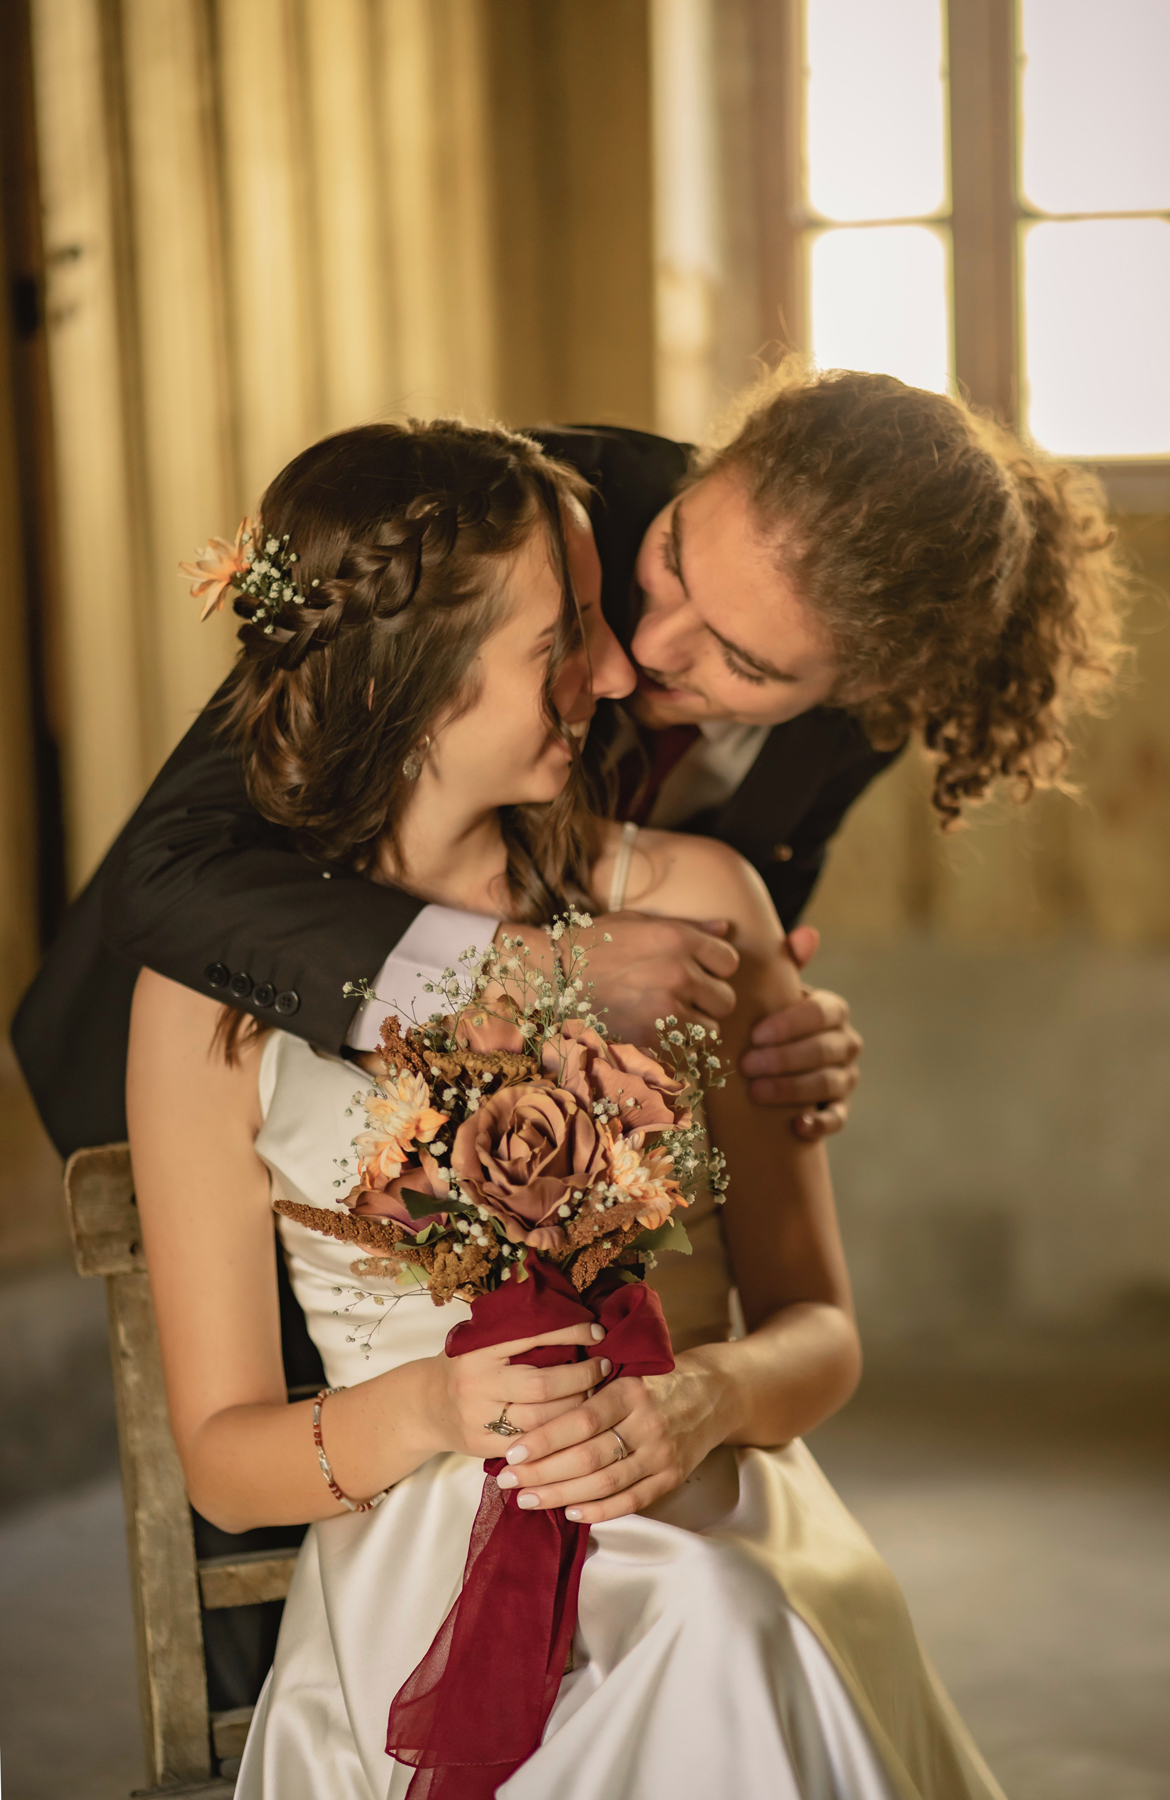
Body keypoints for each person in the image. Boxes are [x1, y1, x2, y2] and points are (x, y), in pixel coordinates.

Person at [127, 417, 1004, 1798]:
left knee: (717, 1620)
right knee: (686, 1640)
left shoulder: (703, 902)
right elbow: (227, 1467)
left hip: (711, 1510)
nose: (626, 669)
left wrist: (706, 1396)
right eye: (571, 636)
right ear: (415, 680)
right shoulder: (210, 992)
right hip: (415, 1537)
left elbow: (820, 1331)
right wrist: (427, 1410)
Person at [10, 365, 1126, 1172]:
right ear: (712, 465)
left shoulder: (853, 731)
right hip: (209, 1076)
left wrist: (771, 1031)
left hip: (503, 1154)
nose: (643, 650)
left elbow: (693, 972)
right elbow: (172, 867)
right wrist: (516, 972)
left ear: (865, 693)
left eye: (737, 660)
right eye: (673, 558)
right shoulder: (510, 514)